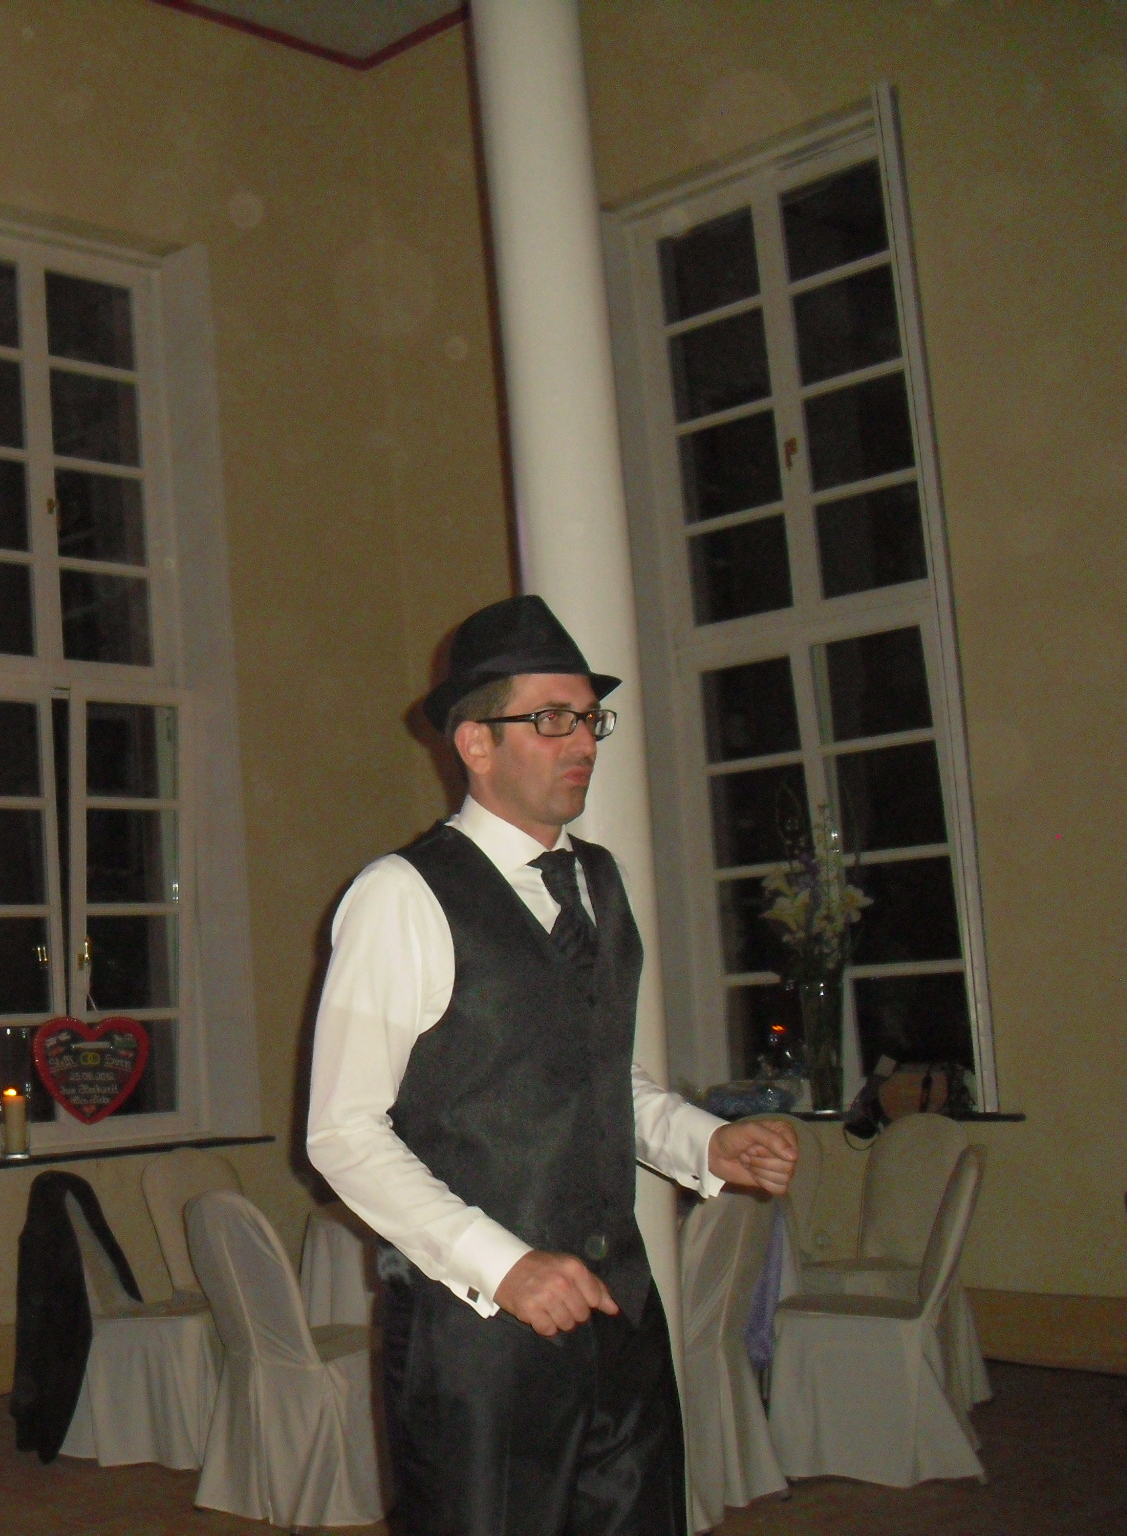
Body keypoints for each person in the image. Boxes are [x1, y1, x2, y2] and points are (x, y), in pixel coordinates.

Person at [306, 595, 797, 1536]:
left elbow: (600, 1077)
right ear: (475, 744)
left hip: (622, 1312)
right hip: (478, 1336)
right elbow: (342, 1133)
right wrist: (506, 1266)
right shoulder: (402, 896)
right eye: (552, 720)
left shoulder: (601, 879)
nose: (582, 743)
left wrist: (706, 1142)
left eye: (588, 719)